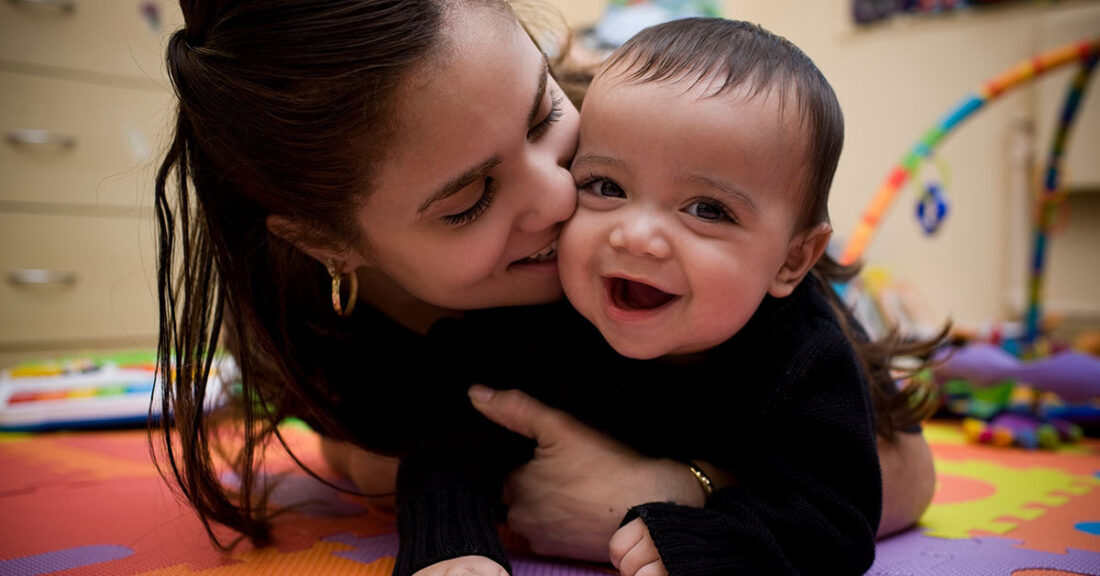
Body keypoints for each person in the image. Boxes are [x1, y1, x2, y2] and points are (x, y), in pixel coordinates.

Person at [149, 1, 936, 575]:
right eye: (468, 201)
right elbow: (363, 445)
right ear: (330, 244)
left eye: (541, 119)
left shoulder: (638, 130)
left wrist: (675, 490)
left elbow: (893, 470)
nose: (564, 198)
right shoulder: (305, 314)